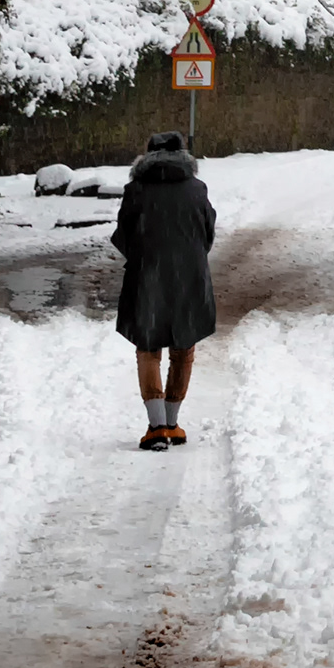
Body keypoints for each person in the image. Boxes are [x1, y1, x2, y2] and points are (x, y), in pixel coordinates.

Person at [110, 128, 217, 449]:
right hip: (189, 277)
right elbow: (206, 234)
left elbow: (123, 235)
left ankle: (156, 427)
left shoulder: (136, 190)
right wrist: (189, 259)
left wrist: (145, 257)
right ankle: (173, 422)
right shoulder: (197, 190)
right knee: (183, 348)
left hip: (147, 276)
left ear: (147, 156)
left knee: (148, 346)